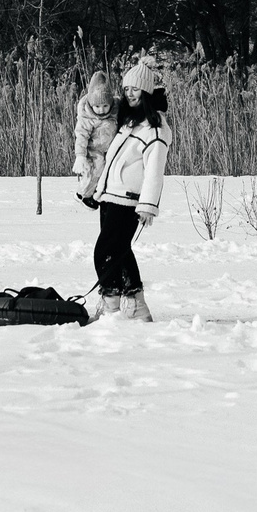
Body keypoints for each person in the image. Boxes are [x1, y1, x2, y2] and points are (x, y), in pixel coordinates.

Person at [87, 58, 170, 322]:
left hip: (129, 201)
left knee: (104, 252)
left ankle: (111, 305)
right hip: (111, 197)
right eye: (126, 89)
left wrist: (148, 206)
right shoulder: (129, 122)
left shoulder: (155, 128)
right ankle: (137, 306)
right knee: (121, 251)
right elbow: (112, 160)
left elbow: (155, 171)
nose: (129, 94)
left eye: (135, 89)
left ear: (146, 91)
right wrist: (95, 190)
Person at [69, 68, 118, 207]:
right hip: (93, 150)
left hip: (108, 149)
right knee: (95, 169)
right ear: (91, 104)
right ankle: (83, 194)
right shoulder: (87, 118)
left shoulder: (115, 110)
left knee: (105, 171)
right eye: (97, 106)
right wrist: (80, 156)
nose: (101, 110)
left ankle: (96, 192)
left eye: (105, 105)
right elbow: (81, 136)